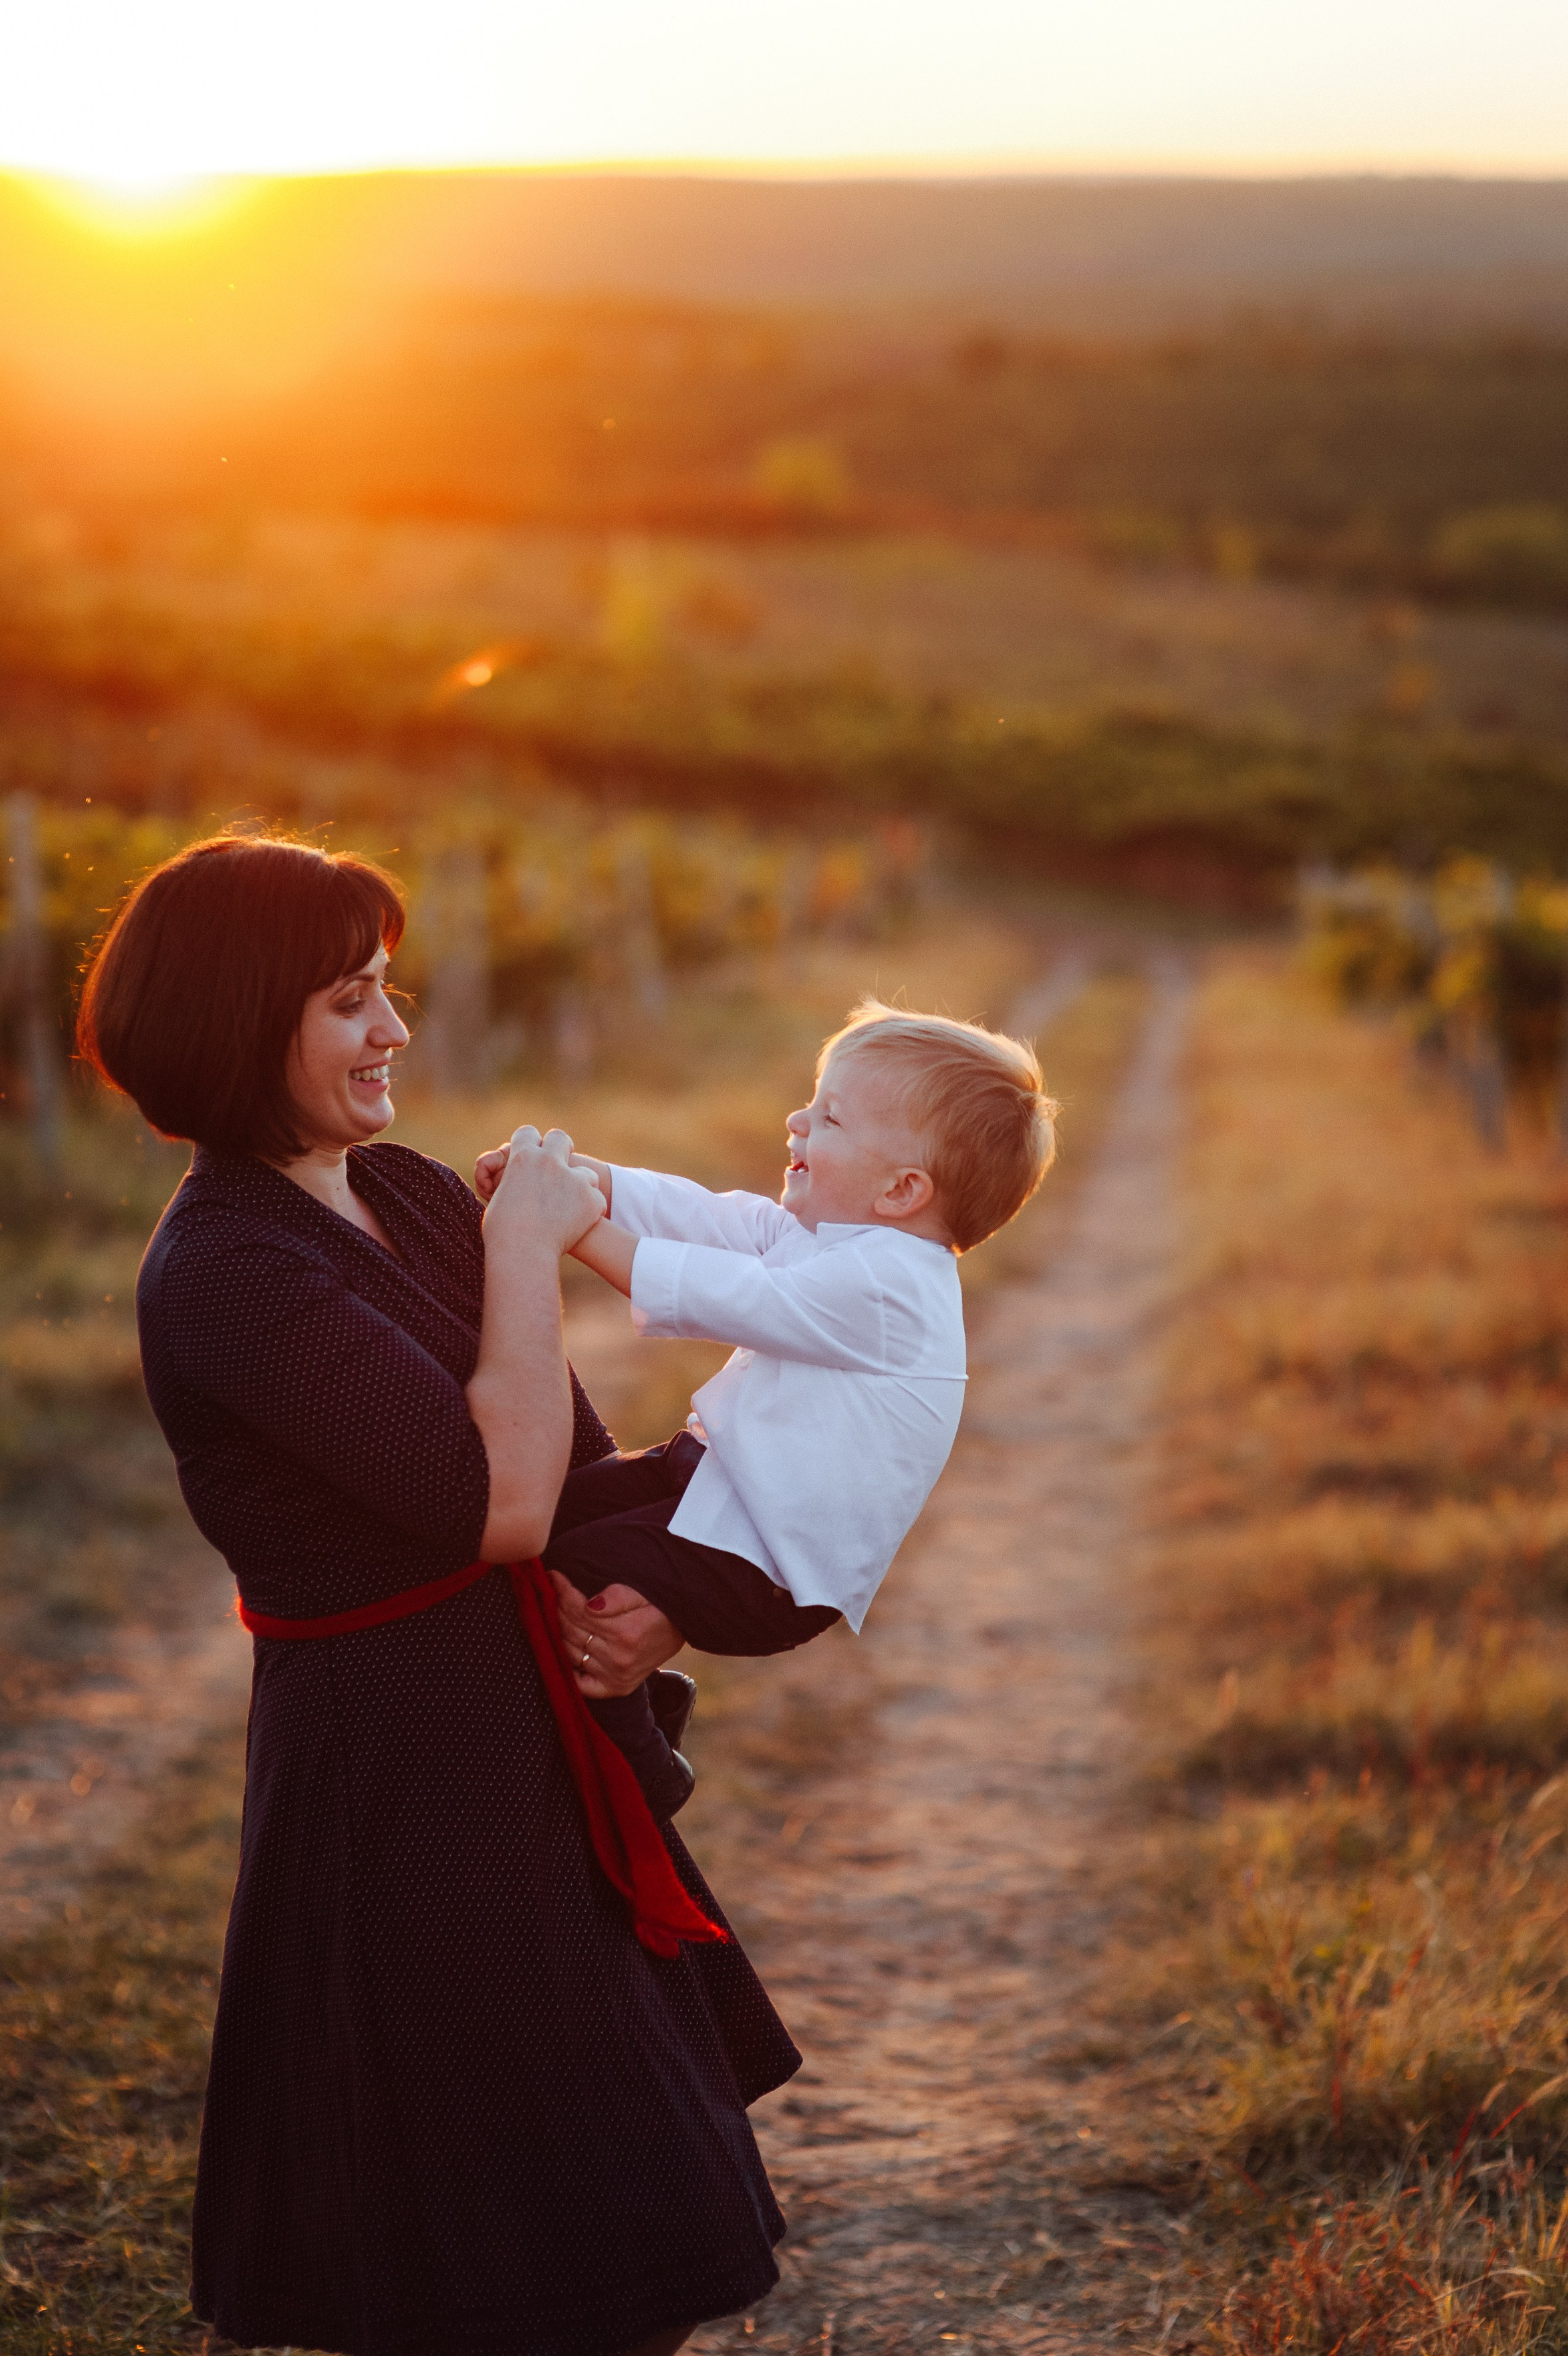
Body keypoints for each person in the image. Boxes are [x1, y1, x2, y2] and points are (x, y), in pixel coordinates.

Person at [76, 829, 805, 2356]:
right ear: (235, 1016)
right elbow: (502, 1501)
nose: (395, 1031)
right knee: (491, 2263)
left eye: (388, 991)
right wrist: (530, 1251)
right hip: (401, 1788)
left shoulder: (401, 1195)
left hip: (528, 1747)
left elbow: (583, 1482)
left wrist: (675, 1591)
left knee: (636, 2227)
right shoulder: (222, 1272)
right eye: (349, 1001)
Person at [477, 1003, 1057, 1817]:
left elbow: (735, 1297)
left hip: (766, 1559)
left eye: (829, 1117)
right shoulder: (835, 1235)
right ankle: (644, 1706)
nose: (798, 1120)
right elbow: (709, 1218)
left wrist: (570, 1231)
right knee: (549, 1521)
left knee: (572, 1579)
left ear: (901, 1190)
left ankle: (642, 1764)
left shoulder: (894, 1287)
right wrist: (592, 1185)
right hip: (717, 1489)